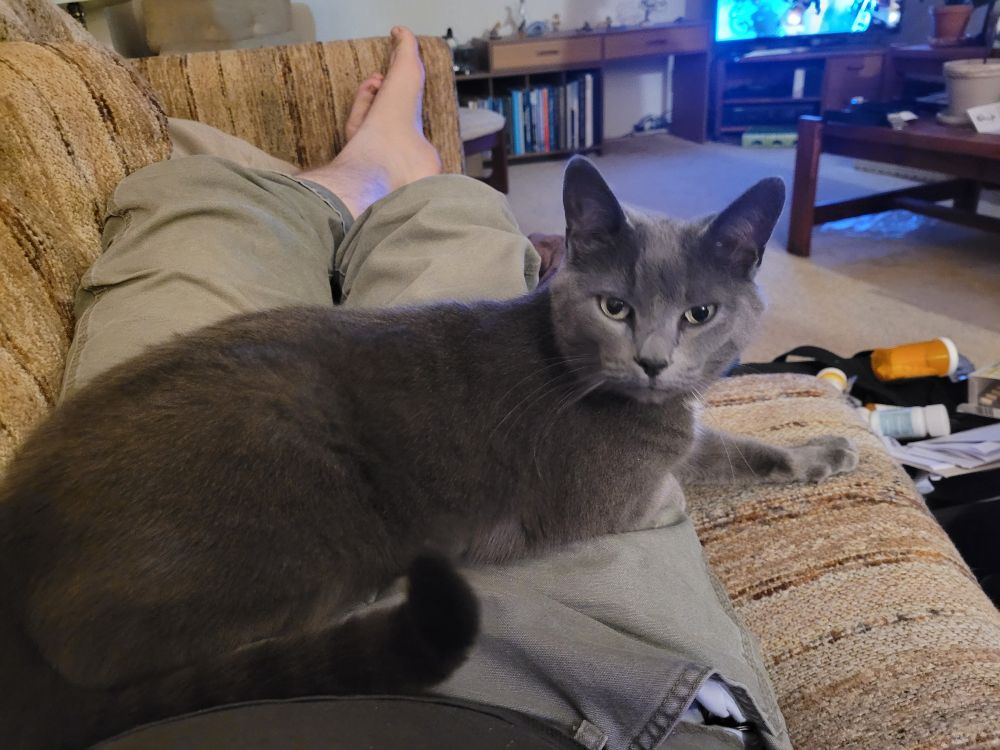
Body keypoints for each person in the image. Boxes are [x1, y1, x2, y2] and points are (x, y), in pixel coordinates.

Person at [65, 27, 791, 750]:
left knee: (198, 269)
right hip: (608, 697)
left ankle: (338, 185)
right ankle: (414, 187)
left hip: (143, 658)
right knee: (468, 290)